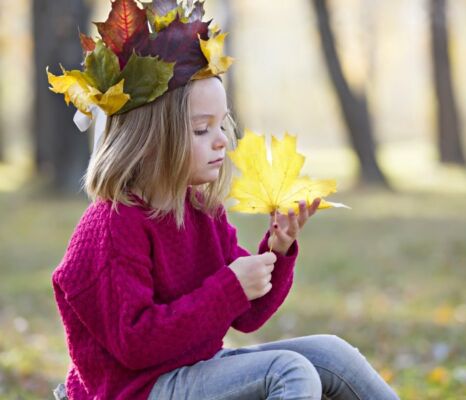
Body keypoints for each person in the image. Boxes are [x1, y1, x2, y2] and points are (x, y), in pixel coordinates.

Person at [49, 1, 400, 399]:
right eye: (201, 129)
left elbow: (246, 315)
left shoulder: (200, 209)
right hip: (134, 390)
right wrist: (231, 286)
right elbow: (135, 344)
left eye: (221, 124)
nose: (221, 140)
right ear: (150, 140)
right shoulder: (112, 226)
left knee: (332, 354)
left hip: (194, 371)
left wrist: (277, 251)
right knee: (288, 372)